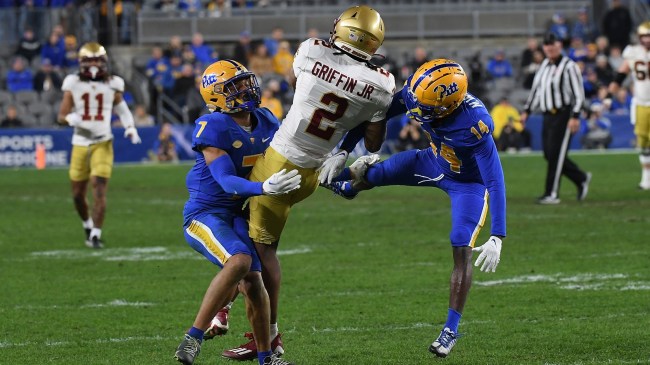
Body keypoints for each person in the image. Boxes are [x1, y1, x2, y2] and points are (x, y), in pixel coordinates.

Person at [218, 5, 396, 361]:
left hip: (279, 163)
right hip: (313, 173)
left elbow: (295, 86)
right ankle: (241, 320)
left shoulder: (313, 50)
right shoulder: (383, 84)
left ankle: (260, 332)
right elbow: (373, 142)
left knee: (248, 245)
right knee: (257, 246)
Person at [322, 59, 505, 359]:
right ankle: (341, 184)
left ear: (449, 105)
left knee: (461, 243)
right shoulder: (422, 93)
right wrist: (343, 149)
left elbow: (495, 181)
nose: (416, 109)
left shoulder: (475, 124)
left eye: (427, 106)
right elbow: (374, 115)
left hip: (468, 185)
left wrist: (498, 235)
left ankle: (450, 330)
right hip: (432, 161)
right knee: (373, 174)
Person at [173, 59, 299, 365]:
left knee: (254, 281)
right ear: (217, 94)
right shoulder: (213, 125)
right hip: (205, 214)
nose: (246, 88)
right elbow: (227, 181)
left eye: (245, 82)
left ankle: (267, 357)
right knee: (241, 260)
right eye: (236, 86)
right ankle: (193, 338)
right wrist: (263, 188)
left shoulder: (266, 118)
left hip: (238, 212)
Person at [57, 42, 142, 249]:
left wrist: (130, 126)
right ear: (82, 63)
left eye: (98, 60)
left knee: (99, 187)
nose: (94, 64)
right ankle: (87, 225)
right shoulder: (73, 83)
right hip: (80, 143)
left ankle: (95, 234)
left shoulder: (113, 83)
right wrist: (71, 120)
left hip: (103, 142)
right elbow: (61, 116)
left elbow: (122, 109)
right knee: (77, 194)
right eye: (90, 60)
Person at [521, 32, 591, 205]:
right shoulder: (544, 65)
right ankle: (580, 178)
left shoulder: (569, 66)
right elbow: (536, 90)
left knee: (556, 154)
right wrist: (526, 111)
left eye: (552, 44)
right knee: (549, 154)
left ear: (559, 46)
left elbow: (579, 95)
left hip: (563, 113)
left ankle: (551, 193)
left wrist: (575, 116)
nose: (549, 48)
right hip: (547, 115)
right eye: (546, 45)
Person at [609, 21, 650, 190]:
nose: (647, 39)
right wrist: (614, 86)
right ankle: (646, 179)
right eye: (644, 36)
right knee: (642, 141)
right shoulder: (633, 52)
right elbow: (622, 72)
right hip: (641, 102)